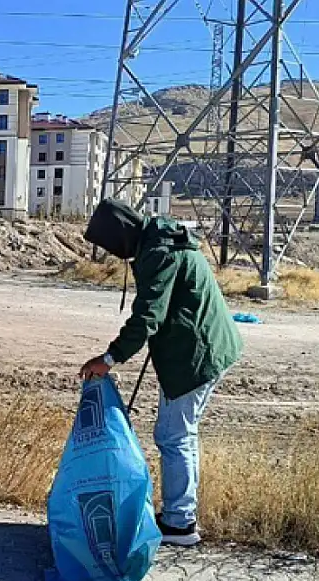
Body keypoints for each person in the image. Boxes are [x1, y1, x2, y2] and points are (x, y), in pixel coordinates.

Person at [78, 198, 243, 546]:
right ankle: (181, 515)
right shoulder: (163, 241)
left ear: (120, 236)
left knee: (173, 436)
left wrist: (109, 359)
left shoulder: (159, 253)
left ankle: (180, 524)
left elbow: (148, 317)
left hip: (194, 356)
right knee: (183, 434)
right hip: (207, 347)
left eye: (110, 245)